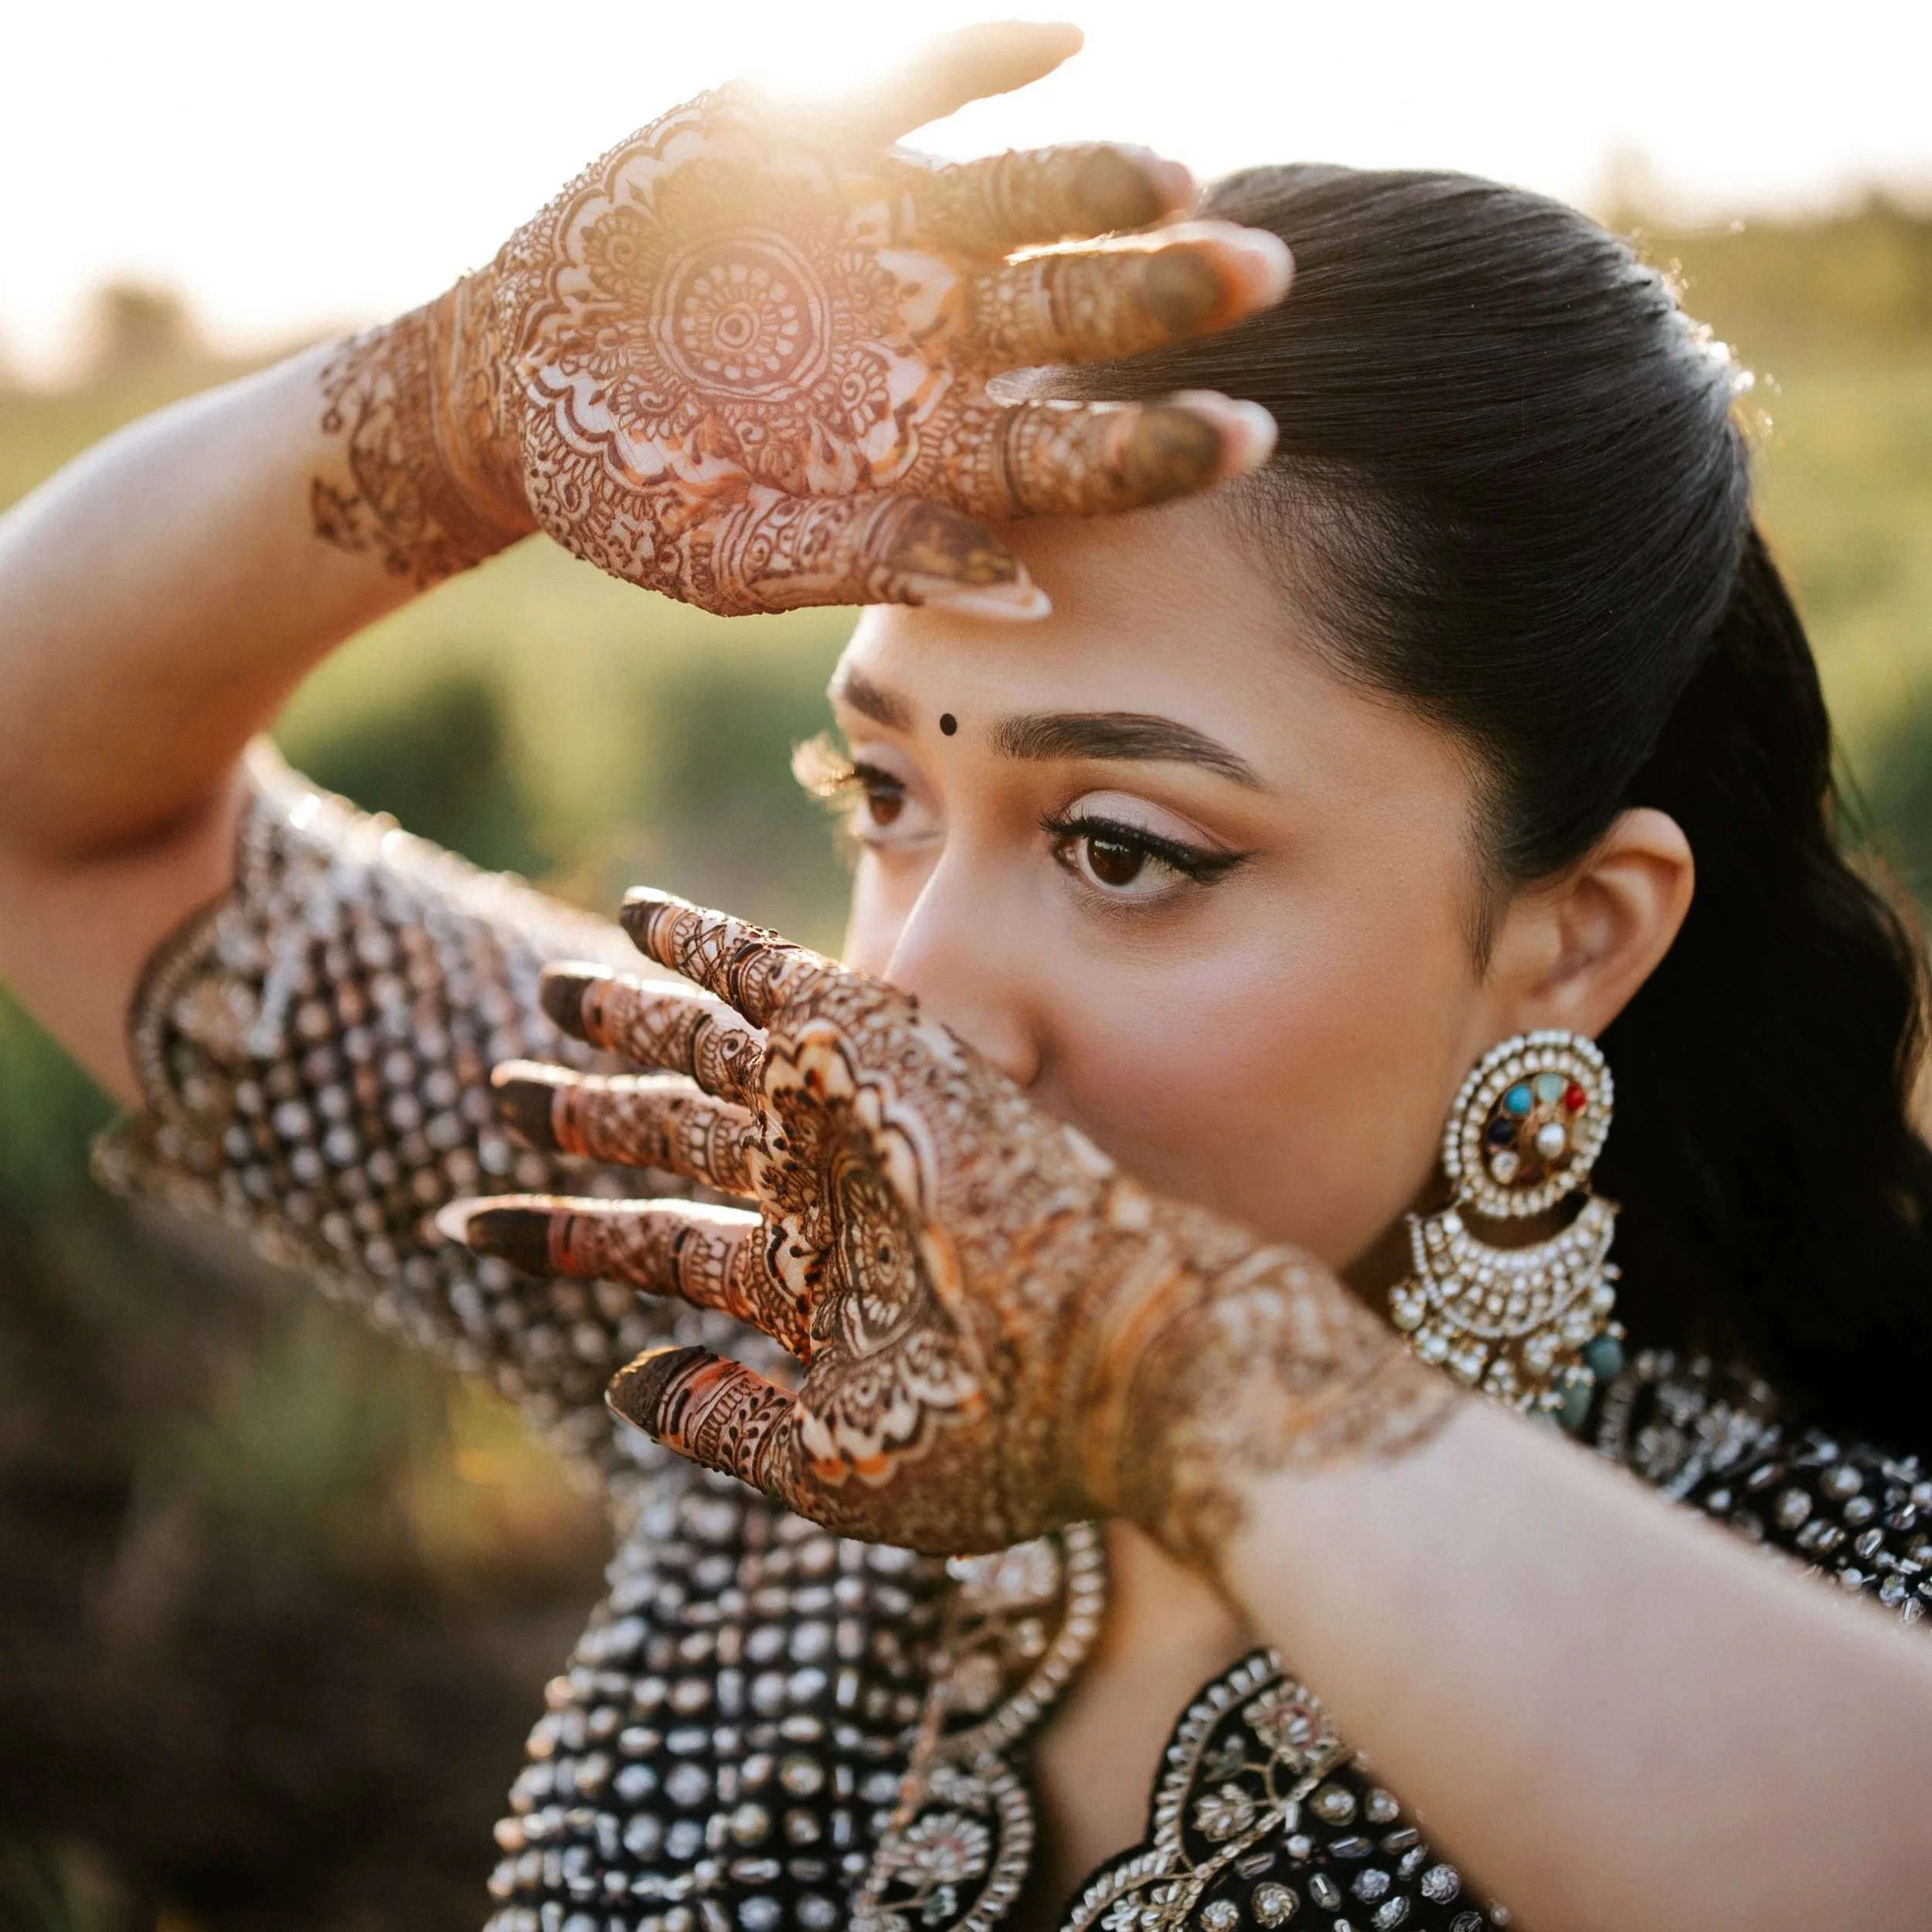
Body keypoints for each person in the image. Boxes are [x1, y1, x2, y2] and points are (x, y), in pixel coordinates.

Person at [1, 22, 1929, 1932]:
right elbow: (45, 806)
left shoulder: (1843, 1590)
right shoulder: (779, 1294)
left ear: (1571, 934)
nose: (907, 995)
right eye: (885, 792)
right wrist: (449, 412)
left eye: (1120, 850)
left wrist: (1199, 1387)